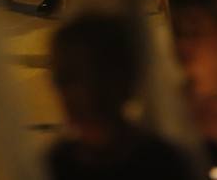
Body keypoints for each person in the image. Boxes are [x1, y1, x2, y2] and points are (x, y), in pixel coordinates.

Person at [47, 12, 197, 180]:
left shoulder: (162, 165)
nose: (69, 92)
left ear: (120, 79)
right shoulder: (56, 164)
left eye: (84, 76)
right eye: (62, 78)